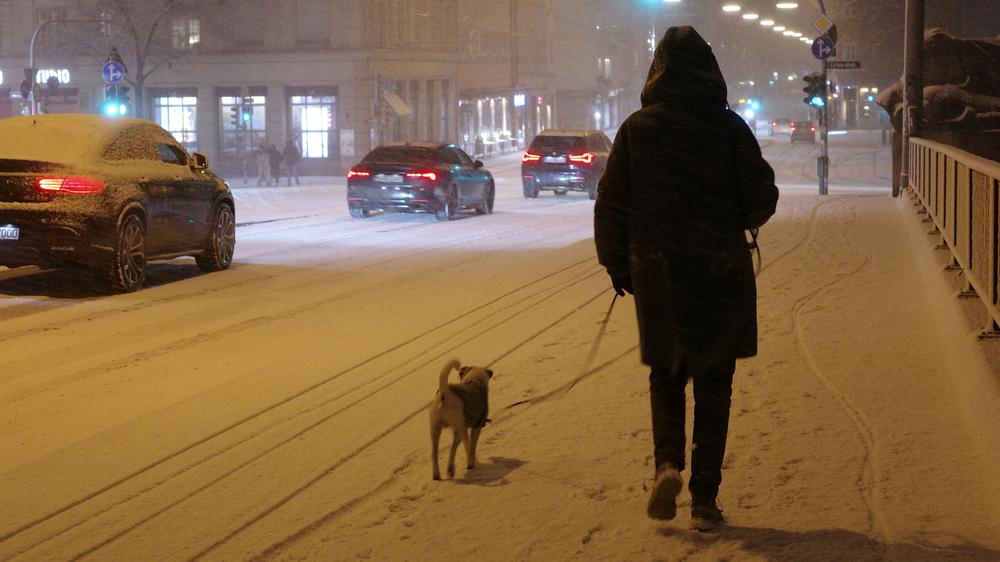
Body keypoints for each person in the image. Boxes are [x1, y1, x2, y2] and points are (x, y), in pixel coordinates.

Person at [594, 26, 778, 532]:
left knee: (668, 376)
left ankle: (667, 464)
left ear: (657, 73)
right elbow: (760, 201)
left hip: (659, 272)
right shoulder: (730, 128)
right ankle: (704, 499)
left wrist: (618, 265)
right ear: (711, 71)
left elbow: (610, 203)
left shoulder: (637, 129)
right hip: (720, 270)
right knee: (715, 386)